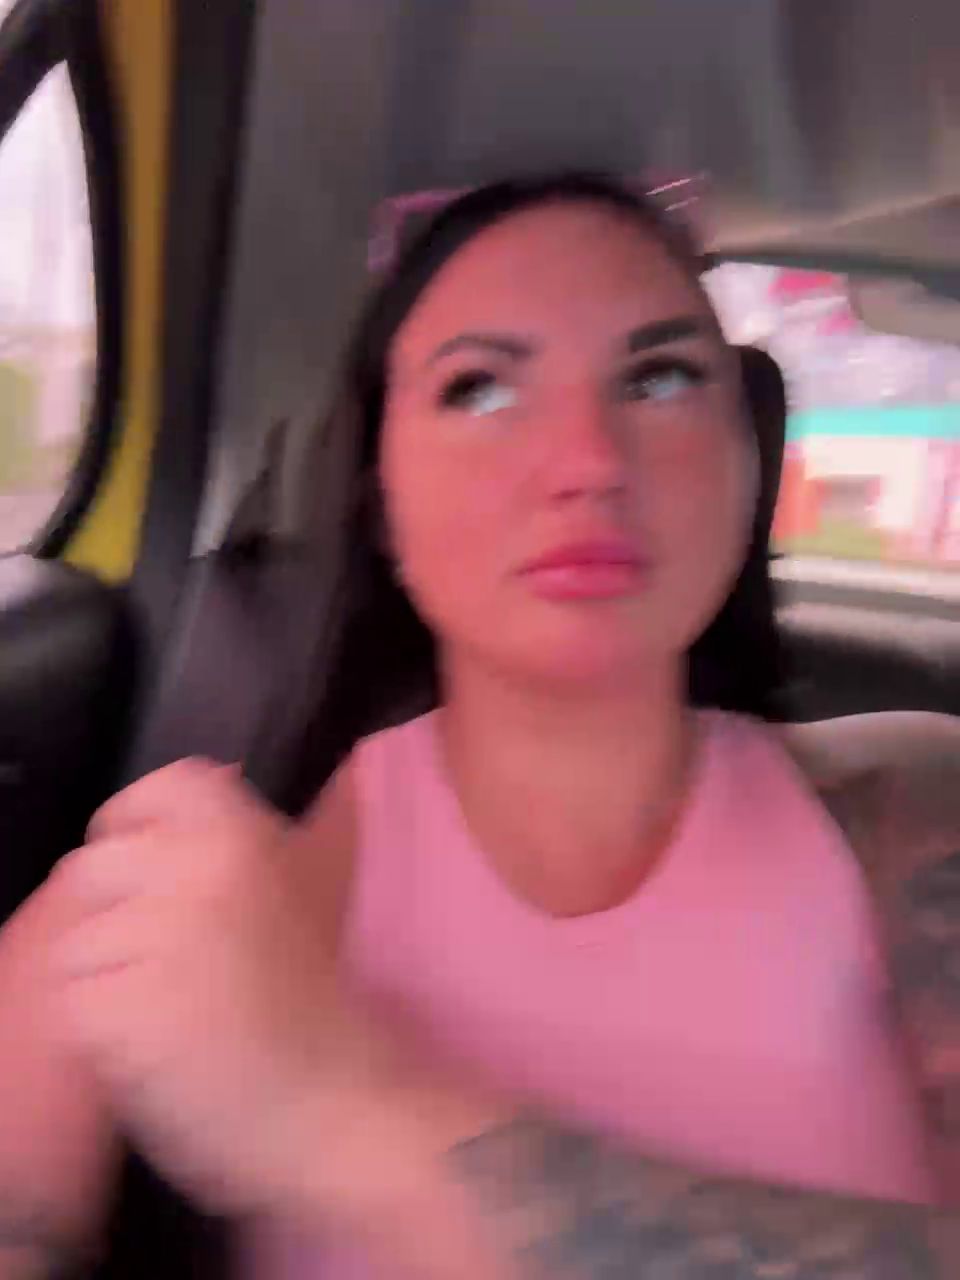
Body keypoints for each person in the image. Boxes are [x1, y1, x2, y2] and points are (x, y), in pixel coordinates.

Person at [0, 173, 958, 1280]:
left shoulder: (918, 808)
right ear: (381, 497)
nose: (589, 463)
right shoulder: (206, 896)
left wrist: (342, 1120)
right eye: (480, 390)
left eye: (659, 378)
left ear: (750, 461)